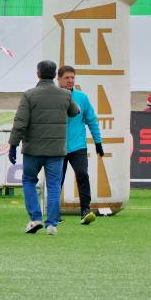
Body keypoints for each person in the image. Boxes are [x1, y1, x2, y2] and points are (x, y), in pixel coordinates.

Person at [8, 60, 79, 235]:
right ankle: (52, 224)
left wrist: (13, 144)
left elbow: (20, 122)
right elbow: (74, 112)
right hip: (56, 150)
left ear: (38, 74)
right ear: (55, 75)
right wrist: (71, 97)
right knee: (54, 185)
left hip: (33, 150)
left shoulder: (29, 95)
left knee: (29, 181)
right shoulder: (65, 95)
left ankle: (35, 218)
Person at [56, 65, 104, 225]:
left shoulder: (82, 98)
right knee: (57, 180)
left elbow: (91, 119)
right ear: (59, 79)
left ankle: (85, 209)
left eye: (72, 77)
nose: (70, 80)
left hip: (78, 146)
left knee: (83, 175)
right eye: (67, 78)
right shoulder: (53, 97)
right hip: (57, 146)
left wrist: (98, 142)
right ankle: (54, 212)